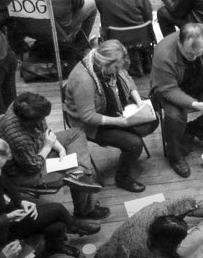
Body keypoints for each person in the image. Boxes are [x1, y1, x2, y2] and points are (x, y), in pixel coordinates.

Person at [0, 135, 100, 258]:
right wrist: (7, 217)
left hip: (8, 210)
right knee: (57, 210)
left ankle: (54, 248)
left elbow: (4, 181)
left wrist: (20, 200)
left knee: (57, 225)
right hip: (1, 229)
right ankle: (73, 225)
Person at [0, 92, 107, 219]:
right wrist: (48, 146)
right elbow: (33, 166)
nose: (43, 120)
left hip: (37, 146)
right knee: (77, 166)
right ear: (29, 121)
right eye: (41, 118)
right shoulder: (18, 137)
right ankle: (84, 209)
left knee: (76, 134)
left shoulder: (26, 105)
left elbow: (43, 130)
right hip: (25, 171)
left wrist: (59, 147)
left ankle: (77, 174)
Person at [65, 40, 160, 193]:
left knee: (152, 119)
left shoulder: (110, 66)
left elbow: (127, 79)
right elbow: (87, 116)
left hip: (113, 108)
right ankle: (122, 178)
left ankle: (128, 136)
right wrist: (118, 122)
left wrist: (139, 102)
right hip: (91, 123)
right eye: (116, 67)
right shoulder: (83, 80)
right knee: (134, 144)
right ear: (105, 64)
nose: (119, 70)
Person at [151, 22, 203, 177]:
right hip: (173, 88)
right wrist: (195, 104)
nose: (194, 57)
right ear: (179, 43)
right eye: (189, 54)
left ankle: (190, 131)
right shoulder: (163, 54)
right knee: (174, 118)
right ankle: (175, 157)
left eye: (198, 53)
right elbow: (168, 90)